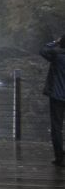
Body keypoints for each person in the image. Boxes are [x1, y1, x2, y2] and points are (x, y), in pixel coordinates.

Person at [40, 35, 65, 166]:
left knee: (57, 128)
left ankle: (59, 157)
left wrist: (55, 42)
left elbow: (43, 50)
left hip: (57, 96)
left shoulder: (56, 55)